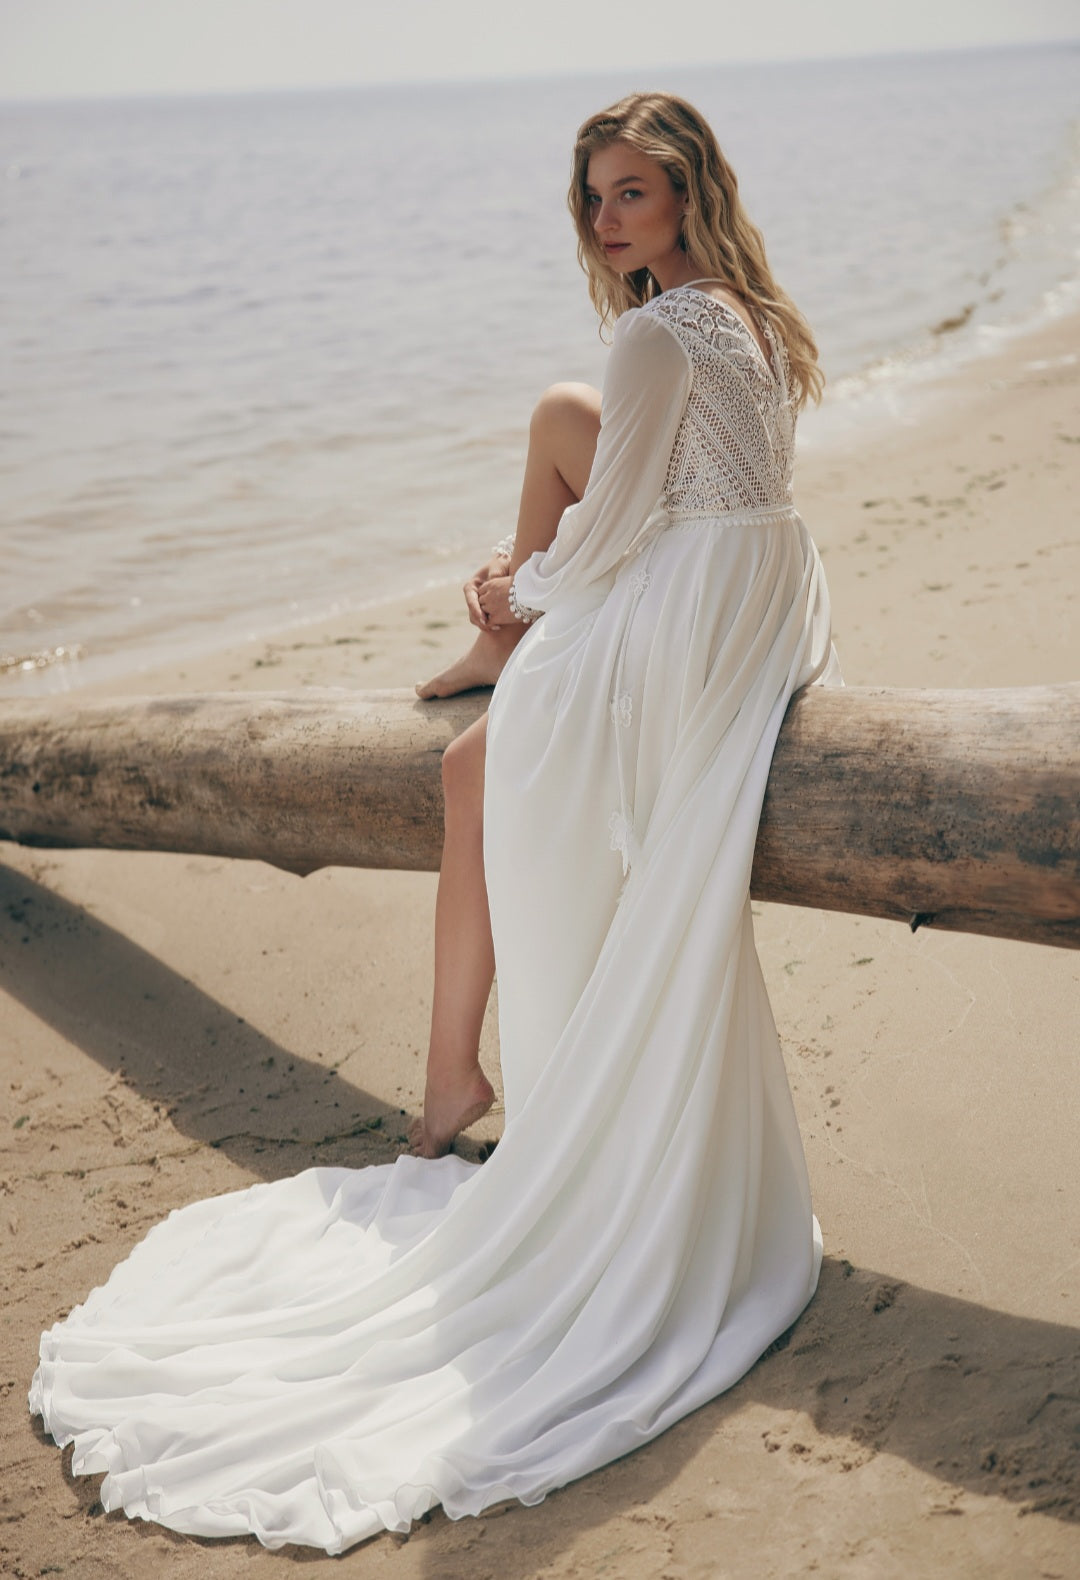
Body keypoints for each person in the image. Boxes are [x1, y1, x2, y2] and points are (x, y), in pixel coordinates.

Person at [30, 93, 839, 1554]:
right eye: (593, 196)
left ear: (686, 190)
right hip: (757, 598)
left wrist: (514, 591)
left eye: (633, 191)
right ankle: (457, 1045)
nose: (607, 219)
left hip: (692, 612)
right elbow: (679, 494)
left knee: (474, 770)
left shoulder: (658, 335)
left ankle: (454, 1064)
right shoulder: (748, 315)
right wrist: (538, 590)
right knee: (536, 508)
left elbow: (620, 530)